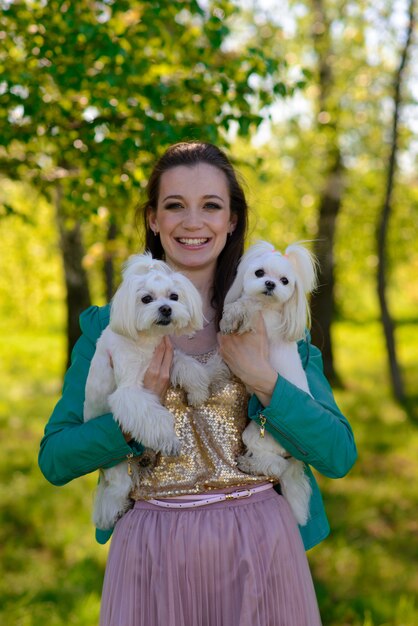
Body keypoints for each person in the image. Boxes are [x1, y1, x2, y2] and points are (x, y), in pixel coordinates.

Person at [39, 141, 357, 626]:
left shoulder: (271, 320)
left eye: (211, 206)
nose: (193, 222)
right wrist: (134, 417)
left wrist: (263, 379)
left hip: (260, 547)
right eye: (174, 206)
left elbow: (338, 453)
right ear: (152, 219)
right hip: (152, 552)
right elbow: (55, 459)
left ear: (232, 220)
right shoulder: (111, 329)